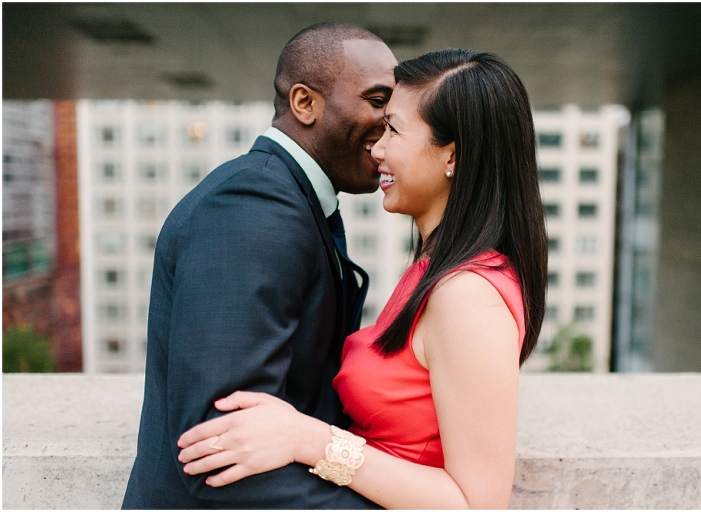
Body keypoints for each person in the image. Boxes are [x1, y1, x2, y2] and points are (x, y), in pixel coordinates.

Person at [177, 48, 548, 509]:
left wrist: (311, 439)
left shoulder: (468, 296)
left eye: (393, 129)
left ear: (453, 155)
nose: (377, 148)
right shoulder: (433, 273)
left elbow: (476, 504)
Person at [122, 23, 397, 509]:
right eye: (378, 101)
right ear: (304, 104)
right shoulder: (253, 207)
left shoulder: (284, 198)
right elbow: (220, 457)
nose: (389, 126)